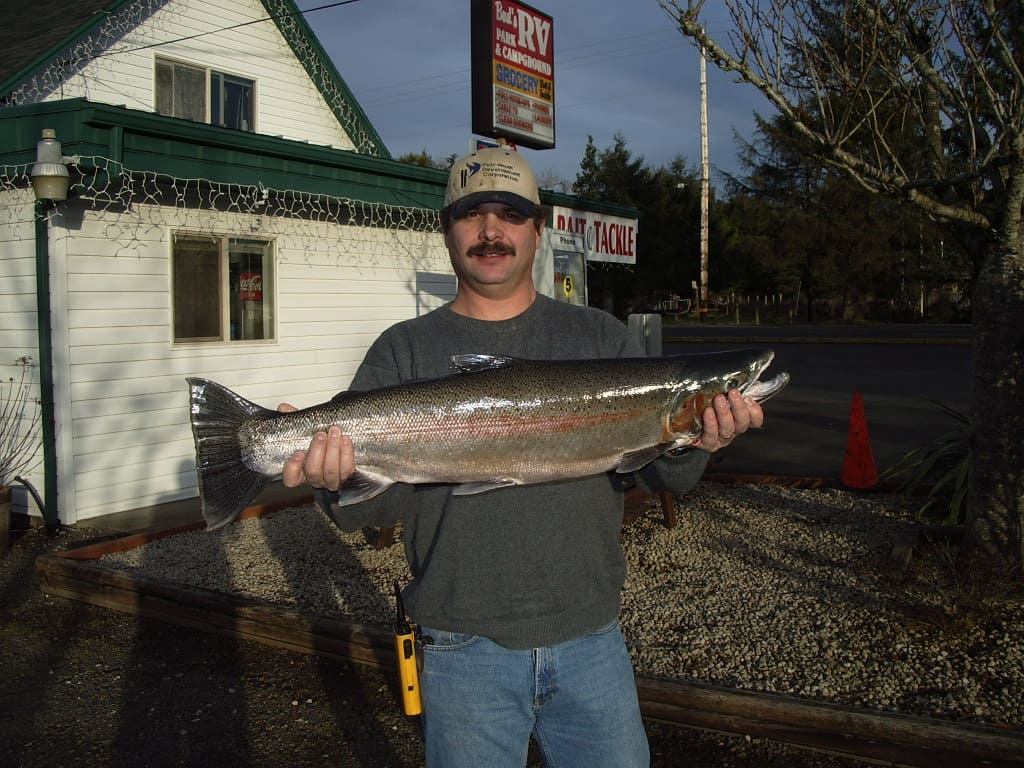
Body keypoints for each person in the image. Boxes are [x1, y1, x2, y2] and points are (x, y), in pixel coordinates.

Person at [280, 146, 764, 767]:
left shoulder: (602, 339)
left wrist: (706, 438)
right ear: (447, 231)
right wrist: (333, 479)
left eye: (509, 214)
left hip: (592, 640)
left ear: (538, 231)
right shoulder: (401, 350)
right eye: (471, 214)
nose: (490, 231)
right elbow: (368, 511)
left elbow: (659, 470)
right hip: (460, 650)